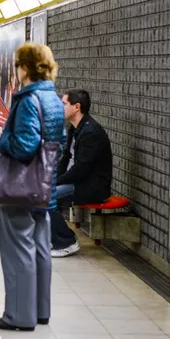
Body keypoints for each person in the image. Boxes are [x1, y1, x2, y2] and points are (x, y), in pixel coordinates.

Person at [0, 43, 64, 331]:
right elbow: (57, 143)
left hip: (19, 186)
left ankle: (19, 315)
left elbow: (24, 145)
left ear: (24, 67)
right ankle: (40, 310)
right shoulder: (54, 99)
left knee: (18, 246)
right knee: (41, 246)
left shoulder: (28, 99)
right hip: (45, 184)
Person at [51, 89, 113, 258]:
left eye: (63, 104)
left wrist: (55, 183)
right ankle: (54, 237)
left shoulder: (90, 133)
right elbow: (66, 158)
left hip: (91, 186)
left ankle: (67, 242)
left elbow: (80, 170)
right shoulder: (74, 128)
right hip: (78, 182)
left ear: (77, 107)